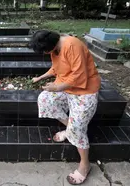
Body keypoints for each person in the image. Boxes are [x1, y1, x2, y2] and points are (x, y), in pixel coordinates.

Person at [30, 30, 101, 185]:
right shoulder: (55, 48)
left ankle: (85, 165)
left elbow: (79, 75)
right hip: (66, 86)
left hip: (85, 89)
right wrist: (41, 77)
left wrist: (57, 87)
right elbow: (56, 69)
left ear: (49, 46)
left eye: (43, 51)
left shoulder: (72, 45)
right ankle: (71, 130)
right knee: (45, 100)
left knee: (77, 128)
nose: (44, 54)